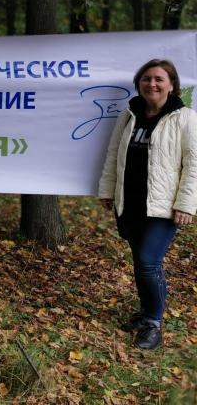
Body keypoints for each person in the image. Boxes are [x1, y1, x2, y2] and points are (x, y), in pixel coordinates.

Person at [98, 59, 196, 350]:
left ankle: (153, 322)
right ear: (138, 83)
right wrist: (108, 190)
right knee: (142, 263)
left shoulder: (185, 118)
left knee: (148, 261)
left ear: (171, 85)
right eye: (146, 78)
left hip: (162, 207)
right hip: (130, 202)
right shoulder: (129, 115)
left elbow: (194, 164)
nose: (152, 84)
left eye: (159, 79)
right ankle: (146, 313)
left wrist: (186, 204)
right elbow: (114, 154)